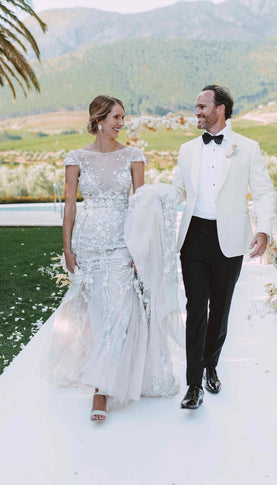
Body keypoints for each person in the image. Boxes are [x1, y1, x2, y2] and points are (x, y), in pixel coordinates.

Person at [41, 95, 183, 422]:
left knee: (120, 311)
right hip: (88, 244)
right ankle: (101, 373)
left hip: (122, 243)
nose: (121, 124)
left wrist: (140, 249)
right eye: (116, 117)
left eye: (123, 118)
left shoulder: (134, 156)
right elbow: (71, 207)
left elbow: (141, 206)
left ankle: (101, 391)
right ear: (99, 120)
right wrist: (68, 249)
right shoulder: (76, 158)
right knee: (97, 314)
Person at [172, 84, 276, 409]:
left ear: (221, 109)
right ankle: (192, 385)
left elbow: (263, 192)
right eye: (196, 106)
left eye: (202, 106)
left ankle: (210, 366)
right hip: (194, 236)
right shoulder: (187, 149)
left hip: (230, 238)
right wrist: (153, 202)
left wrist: (265, 230)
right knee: (195, 308)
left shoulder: (248, 147)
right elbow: (177, 189)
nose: (197, 112)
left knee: (220, 307)